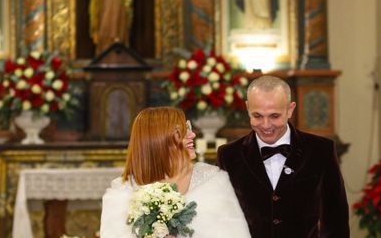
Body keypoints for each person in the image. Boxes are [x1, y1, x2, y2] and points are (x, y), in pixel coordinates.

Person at [217, 75, 350, 238]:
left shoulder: (321, 150)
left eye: (274, 116)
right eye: (257, 116)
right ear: (247, 108)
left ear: (290, 110)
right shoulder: (229, 155)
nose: (266, 125)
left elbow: (336, 220)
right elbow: (223, 219)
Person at [100, 107, 251, 238]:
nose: (192, 135)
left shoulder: (212, 179)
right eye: (182, 131)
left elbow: (235, 233)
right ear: (158, 140)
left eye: (189, 128)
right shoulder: (123, 191)